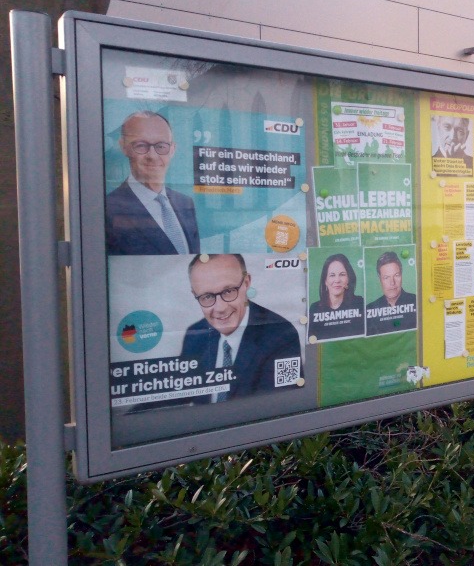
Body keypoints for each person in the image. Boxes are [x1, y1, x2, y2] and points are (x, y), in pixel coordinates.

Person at [181, 254, 303, 402]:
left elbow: (281, 404)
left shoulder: (282, 335)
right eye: (207, 296)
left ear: (246, 282)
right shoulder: (194, 335)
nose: (220, 308)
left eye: (228, 291)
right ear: (195, 294)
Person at [106, 111, 200, 255]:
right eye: (141, 145)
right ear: (124, 147)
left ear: (172, 150)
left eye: (161, 146)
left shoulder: (185, 203)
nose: (152, 156)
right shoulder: (108, 209)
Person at [308, 253, 365, 341]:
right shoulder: (315, 309)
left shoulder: (360, 303)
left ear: (348, 279)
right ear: (325, 281)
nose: (337, 280)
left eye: (342, 274)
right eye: (332, 275)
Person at [366, 251, 417, 335]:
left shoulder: (416, 302)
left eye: (396, 275)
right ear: (380, 280)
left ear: (401, 275)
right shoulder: (369, 309)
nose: (392, 282)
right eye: (386, 278)